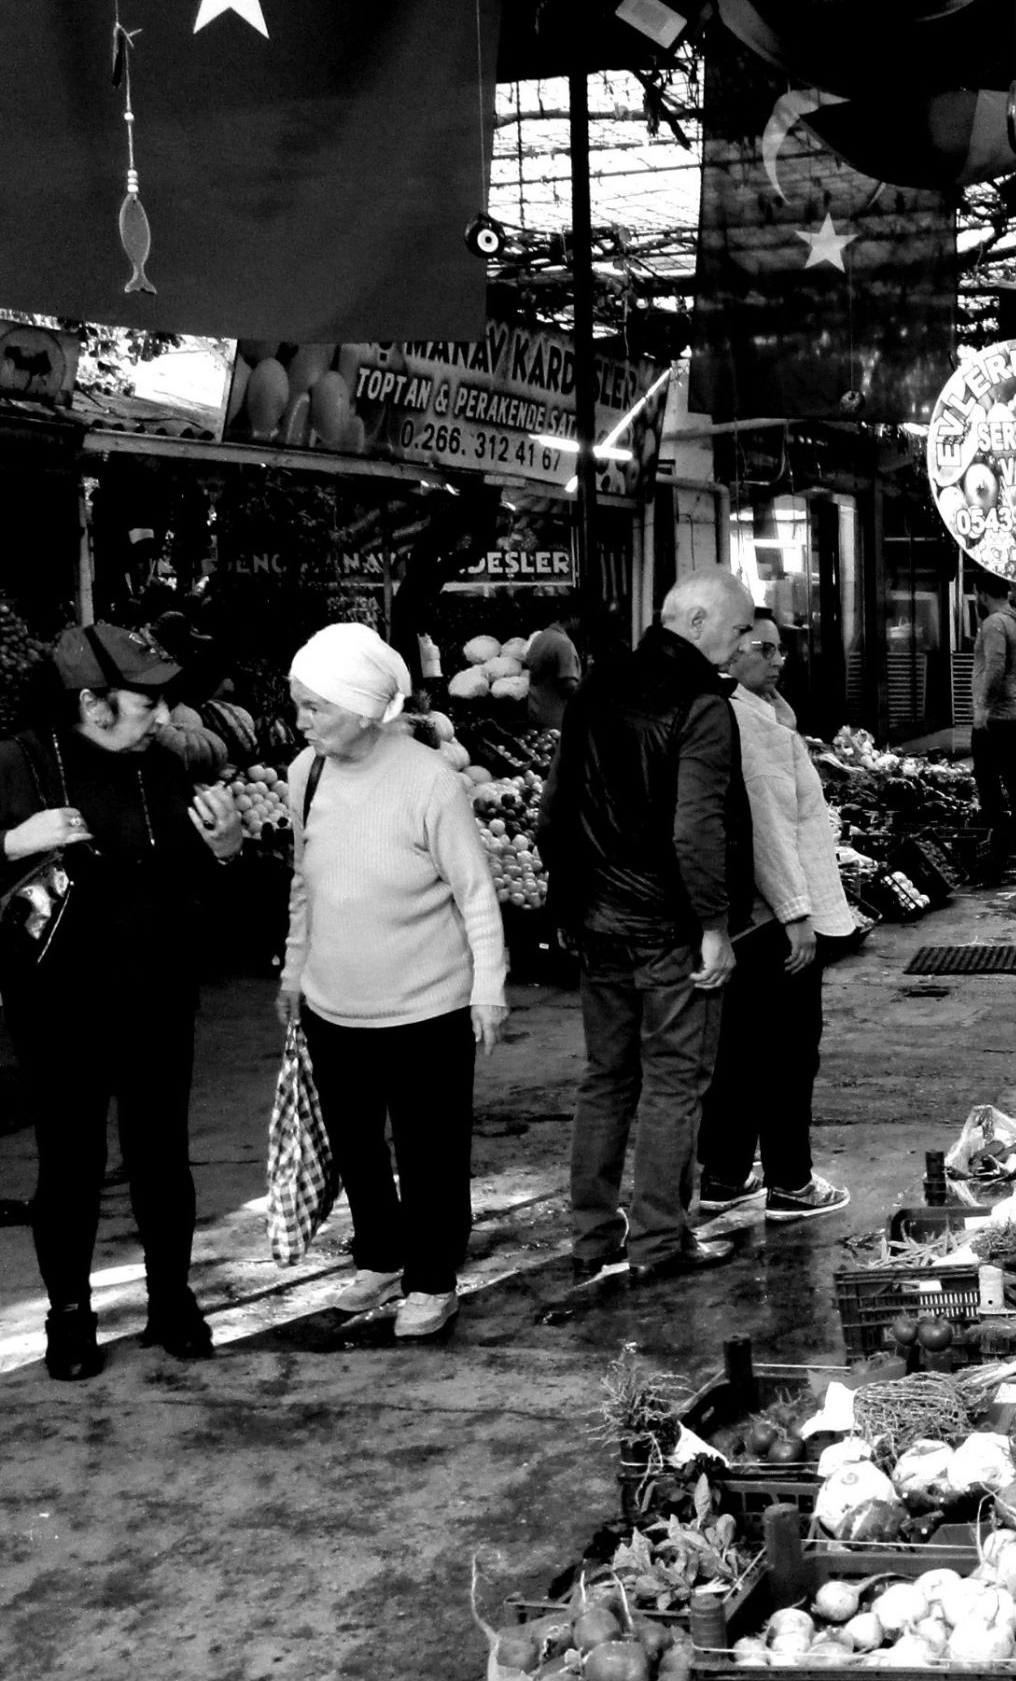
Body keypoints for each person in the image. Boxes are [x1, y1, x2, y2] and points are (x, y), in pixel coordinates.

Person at [0, 625, 245, 1379]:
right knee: (69, 1166)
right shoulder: (19, 763)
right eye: (145, 700)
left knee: (161, 1159)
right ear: (91, 702)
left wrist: (228, 850)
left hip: (157, 994)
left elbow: (202, 896)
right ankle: (68, 1316)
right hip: (58, 1005)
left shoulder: (164, 765)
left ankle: (171, 1297)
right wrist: (12, 842)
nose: (163, 714)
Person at [277, 623, 509, 1340]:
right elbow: (303, 883)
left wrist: (488, 988)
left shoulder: (429, 780)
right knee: (354, 1146)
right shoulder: (303, 775)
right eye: (299, 704)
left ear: (362, 707)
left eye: (314, 707)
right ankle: (379, 1258)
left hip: (427, 1009)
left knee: (430, 1154)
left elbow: (475, 892)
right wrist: (294, 970)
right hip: (331, 1003)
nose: (301, 720)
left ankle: (432, 1280)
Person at [542, 567, 755, 1288]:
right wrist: (716, 928)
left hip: (598, 922)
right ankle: (661, 1239)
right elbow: (697, 830)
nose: (740, 643)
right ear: (695, 623)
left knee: (606, 1078)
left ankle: (591, 1235)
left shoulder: (595, 688)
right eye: (735, 630)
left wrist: (567, 908)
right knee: (672, 1083)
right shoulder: (701, 705)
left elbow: (555, 809)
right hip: (668, 929)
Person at [694, 613, 855, 1223]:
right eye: (764, 648)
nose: (779, 659)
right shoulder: (745, 723)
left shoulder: (753, 713)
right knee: (788, 1052)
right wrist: (795, 912)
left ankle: (725, 1174)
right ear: (730, 653)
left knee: (742, 1049)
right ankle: (790, 1179)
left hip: (749, 919)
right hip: (770, 917)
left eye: (783, 649)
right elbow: (765, 828)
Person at [970, 587, 1016, 865]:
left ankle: (997, 841)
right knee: (1014, 777)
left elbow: (995, 667)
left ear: (982, 593)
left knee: (987, 778)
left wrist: (983, 708)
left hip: (997, 715)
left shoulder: (994, 623)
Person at [522, 626, 582, 733]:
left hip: (536, 714)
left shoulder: (541, 637)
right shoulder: (564, 644)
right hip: (556, 722)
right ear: (573, 618)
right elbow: (569, 685)